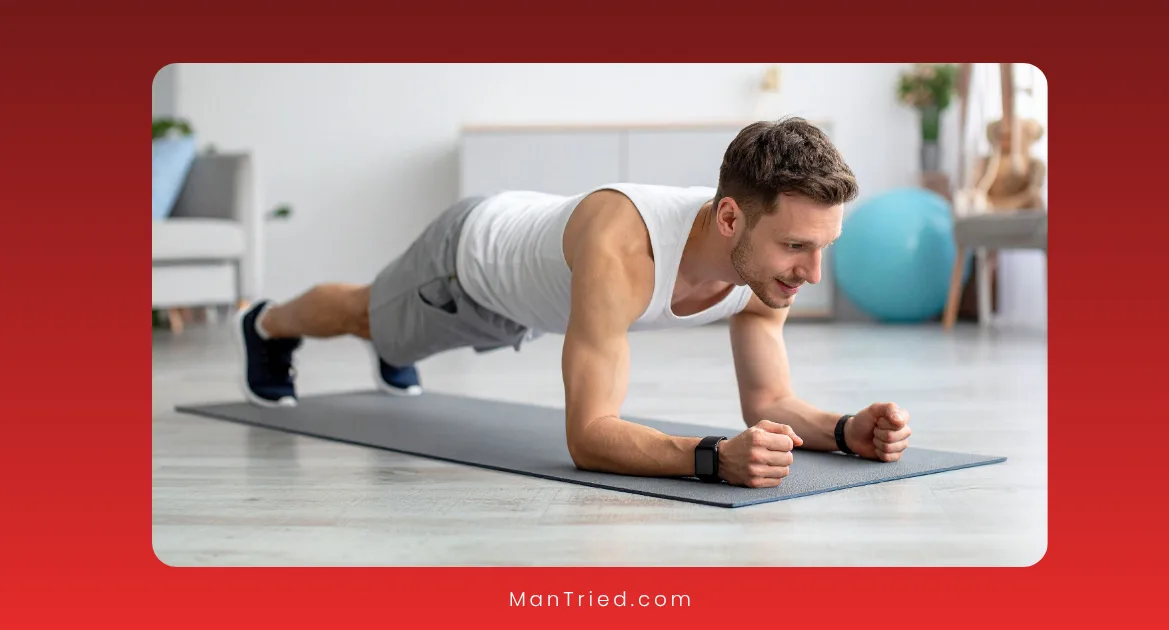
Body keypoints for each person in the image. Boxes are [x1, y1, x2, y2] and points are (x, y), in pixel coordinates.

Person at [234, 117, 913, 488]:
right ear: (731, 218)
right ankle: (265, 323)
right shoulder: (625, 247)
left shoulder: (767, 268)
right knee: (366, 316)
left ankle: (397, 344)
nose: (812, 273)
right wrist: (711, 457)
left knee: (397, 336)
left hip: (540, 291)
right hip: (466, 268)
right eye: (797, 247)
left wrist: (845, 429)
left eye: (823, 248)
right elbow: (589, 437)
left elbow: (769, 401)